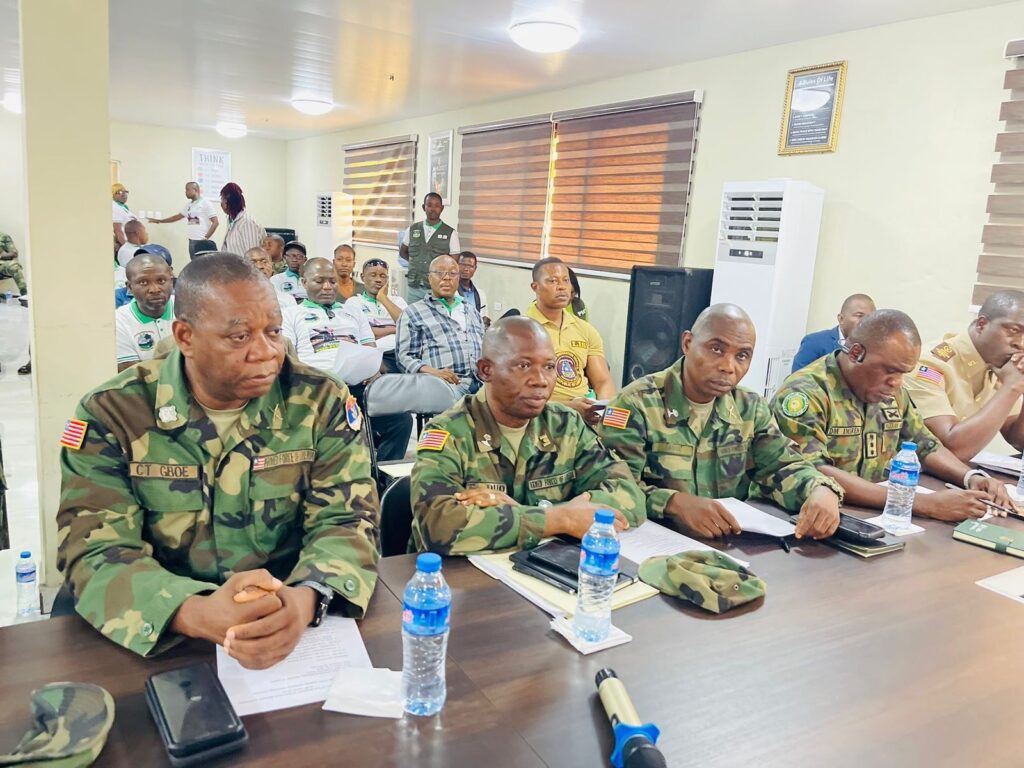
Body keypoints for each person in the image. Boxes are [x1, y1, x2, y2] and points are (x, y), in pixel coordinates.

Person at [57, 252, 380, 667]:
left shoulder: (320, 400)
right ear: (185, 337)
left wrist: (306, 599)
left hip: (286, 619)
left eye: (274, 331)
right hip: (162, 631)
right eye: (239, 336)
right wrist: (193, 612)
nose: (266, 352)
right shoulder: (114, 413)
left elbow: (349, 519)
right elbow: (95, 550)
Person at [599, 304, 844, 540]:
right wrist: (672, 503)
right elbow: (613, 486)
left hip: (727, 542)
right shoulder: (634, 404)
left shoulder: (750, 408)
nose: (728, 367)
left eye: (742, 356)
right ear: (688, 343)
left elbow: (782, 467)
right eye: (716, 349)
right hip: (652, 540)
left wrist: (820, 489)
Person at [411, 316, 646, 554]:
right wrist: (560, 518)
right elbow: (438, 526)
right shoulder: (448, 432)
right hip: (462, 573)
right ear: (485, 370)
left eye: (549, 367)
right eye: (523, 365)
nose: (541, 380)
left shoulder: (566, 425)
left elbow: (630, 495)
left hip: (550, 564)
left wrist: (544, 515)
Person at [772, 309, 1016, 522]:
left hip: (867, 513)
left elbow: (925, 444)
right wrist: (921, 503)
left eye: (903, 373)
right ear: (856, 353)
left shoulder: (892, 393)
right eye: (890, 371)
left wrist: (970, 476)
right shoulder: (805, 394)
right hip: (805, 516)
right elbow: (813, 471)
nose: (896, 382)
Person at [295, 258, 411, 462]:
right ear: (304, 282)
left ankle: (380, 475)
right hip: (318, 388)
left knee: (401, 421)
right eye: (319, 281)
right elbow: (290, 359)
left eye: (332, 281)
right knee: (347, 426)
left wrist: (373, 370)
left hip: (357, 384)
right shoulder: (292, 314)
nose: (327, 287)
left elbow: (369, 348)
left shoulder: (351, 311)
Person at [903, 290, 1024, 461]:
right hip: (906, 472)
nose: (1021, 344)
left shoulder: (1000, 365)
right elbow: (953, 450)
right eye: (1013, 330)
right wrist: (1012, 387)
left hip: (961, 473)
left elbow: (1018, 440)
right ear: (982, 324)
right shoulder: (930, 364)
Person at [526, 257, 614, 426]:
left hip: (585, 416)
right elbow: (516, 394)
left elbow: (603, 381)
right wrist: (568, 408)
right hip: (541, 417)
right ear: (535, 287)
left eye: (566, 280)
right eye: (553, 281)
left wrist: (599, 410)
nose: (561, 287)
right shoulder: (521, 330)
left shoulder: (586, 330)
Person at [396, 254, 484, 396]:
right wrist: (434, 372)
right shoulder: (413, 313)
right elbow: (404, 358)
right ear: (429, 278)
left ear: (458, 278)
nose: (446, 278)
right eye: (439, 273)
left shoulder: (471, 310)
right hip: (444, 385)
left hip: (481, 382)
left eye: (452, 273)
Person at [344, 258, 407, 373]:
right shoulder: (354, 302)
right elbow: (363, 333)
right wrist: (396, 329)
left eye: (383, 276)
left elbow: (408, 327)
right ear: (363, 277)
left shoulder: (398, 301)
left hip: (402, 352)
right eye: (373, 275)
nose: (378, 280)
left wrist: (383, 298)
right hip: (376, 354)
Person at [115, 254, 175, 371]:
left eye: (161, 281)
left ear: (171, 281)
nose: (154, 289)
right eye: (143, 282)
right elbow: (134, 375)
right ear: (130, 287)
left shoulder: (189, 308)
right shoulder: (119, 322)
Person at [398, 192, 461, 304]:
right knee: (412, 314)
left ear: (442, 208)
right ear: (424, 207)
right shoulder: (413, 229)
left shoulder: (451, 233)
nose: (433, 209)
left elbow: (453, 262)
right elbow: (403, 252)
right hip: (414, 287)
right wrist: (415, 262)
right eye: (429, 205)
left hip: (437, 288)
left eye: (437, 206)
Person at [792, 294, 876, 373]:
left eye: (871, 317)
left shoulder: (874, 347)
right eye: (859, 316)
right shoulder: (815, 342)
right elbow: (796, 380)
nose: (866, 321)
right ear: (841, 319)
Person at [147, 182, 219, 259]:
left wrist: (205, 238)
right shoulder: (189, 205)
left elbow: (215, 222)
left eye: (187, 190)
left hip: (204, 242)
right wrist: (160, 221)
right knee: (195, 265)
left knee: (206, 265)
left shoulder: (205, 203)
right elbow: (177, 217)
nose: (185, 192)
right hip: (192, 241)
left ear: (195, 190)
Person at [220, 183, 266, 256]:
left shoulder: (247, 223)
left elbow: (253, 257)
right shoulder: (232, 221)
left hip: (244, 263)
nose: (221, 203)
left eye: (222, 199)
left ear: (228, 202)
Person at [114, 220, 150, 287]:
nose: (147, 234)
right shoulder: (131, 252)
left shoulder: (127, 247)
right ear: (138, 233)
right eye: (145, 231)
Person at [456, 251, 489, 326]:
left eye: (470, 266)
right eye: (463, 265)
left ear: (475, 268)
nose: (466, 269)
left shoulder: (481, 294)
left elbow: (485, 316)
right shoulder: (450, 292)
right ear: (456, 265)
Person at [0, 230, 26, 296]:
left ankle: (25, 294)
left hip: (2, 265)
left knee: (14, 266)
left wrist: (1, 255)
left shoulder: (4, 237)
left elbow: (14, 253)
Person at [111, 183, 136, 249]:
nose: (124, 194)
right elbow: (117, 231)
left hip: (131, 242)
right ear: (113, 195)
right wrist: (126, 248)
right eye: (120, 192)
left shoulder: (123, 207)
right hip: (125, 243)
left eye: (125, 192)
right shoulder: (115, 207)